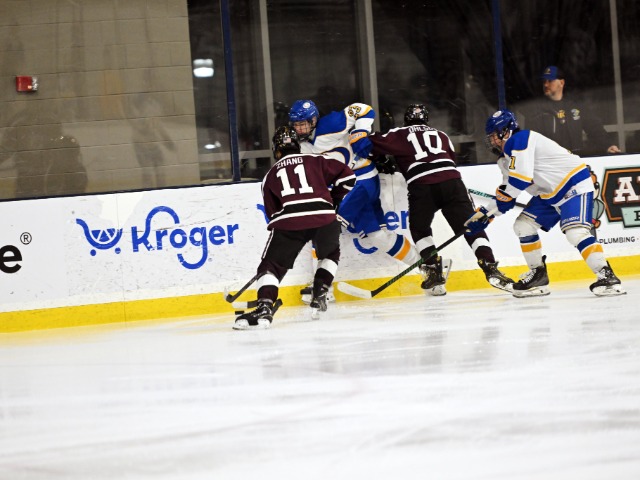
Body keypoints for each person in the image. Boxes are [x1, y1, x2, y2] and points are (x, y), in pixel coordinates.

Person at [465, 109, 625, 298]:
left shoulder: (520, 140)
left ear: (506, 131)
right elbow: (507, 195)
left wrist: (490, 211)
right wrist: (486, 213)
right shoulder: (505, 160)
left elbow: (519, 181)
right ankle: (538, 277)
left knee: (575, 232)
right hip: (550, 194)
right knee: (523, 226)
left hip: (573, 185)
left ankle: (607, 276)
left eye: (494, 136)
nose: (492, 141)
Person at [367, 104, 514, 295]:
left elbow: (369, 143)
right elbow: (449, 160)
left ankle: (433, 269)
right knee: (471, 227)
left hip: (422, 185)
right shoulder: (441, 135)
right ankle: (489, 266)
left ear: (406, 120)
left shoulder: (400, 133)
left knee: (420, 229)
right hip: (452, 182)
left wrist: (381, 159)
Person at [288, 99, 422, 299]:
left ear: (314, 120)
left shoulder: (330, 124)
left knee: (325, 229)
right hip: (357, 185)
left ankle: (322, 287)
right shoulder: (304, 145)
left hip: (360, 181)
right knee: (377, 236)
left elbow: (363, 109)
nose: (299, 129)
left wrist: (360, 132)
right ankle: (427, 265)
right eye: (296, 125)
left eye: (303, 124)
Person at [233, 126, 356, 330]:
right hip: (324, 217)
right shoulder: (316, 160)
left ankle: (265, 306)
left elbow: (273, 214)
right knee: (330, 254)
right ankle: (320, 292)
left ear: (276, 150)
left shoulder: (270, 175)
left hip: (290, 221)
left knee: (271, 266)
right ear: (297, 146)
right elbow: (348, 177)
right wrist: (332, 203)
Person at [523, 66, 621, 155]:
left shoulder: (575, 106)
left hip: (575, 161)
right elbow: (531, 139)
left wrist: (608, 145)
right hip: (551, 163)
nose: (546, 84)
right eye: (544, 81)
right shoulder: (538, 110)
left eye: (550, 81)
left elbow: (594, 128)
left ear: (561, 83)